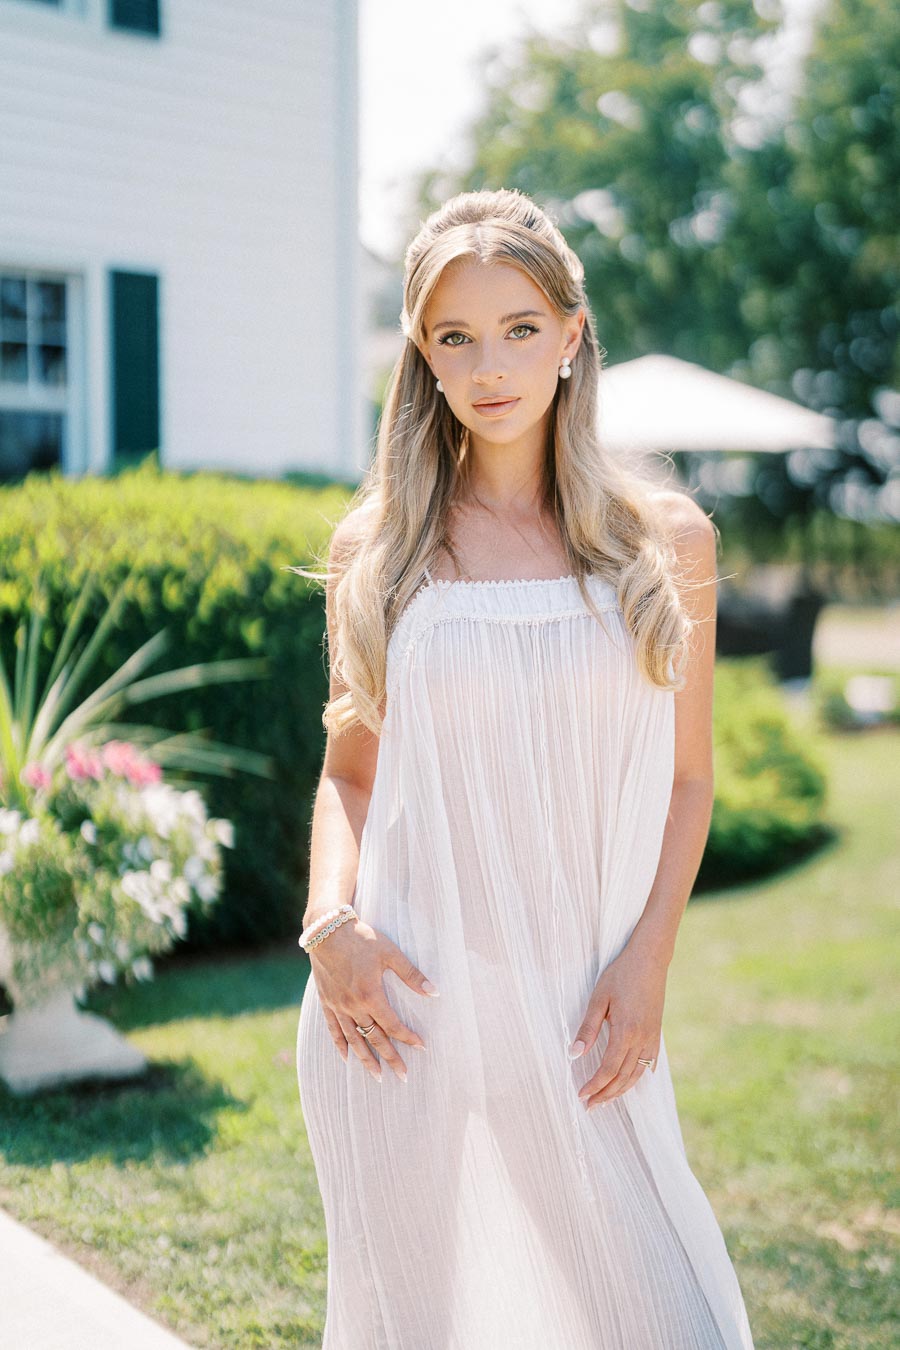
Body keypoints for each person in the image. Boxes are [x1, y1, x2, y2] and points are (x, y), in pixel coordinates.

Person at [294, 187, 755, 1349]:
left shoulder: (667, 541)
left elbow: (688, 780)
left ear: (570, 336)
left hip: (581, 1012)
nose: (489, 366)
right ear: (422, 355)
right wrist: (329, 922)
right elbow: (351, 770)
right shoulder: (379, 547)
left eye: (518, 329)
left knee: (670, 1316)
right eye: (455, 337)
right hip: (396, 1008)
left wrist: (648, 963)